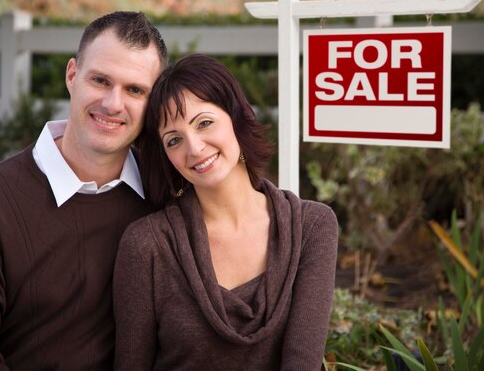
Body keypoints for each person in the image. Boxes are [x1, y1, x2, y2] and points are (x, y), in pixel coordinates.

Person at [0, 11, 168, 371]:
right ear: (72, 75)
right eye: (100, 80)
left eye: (135, 90)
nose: (113, 104)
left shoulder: (164, 194)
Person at [113, 53, 339, 371]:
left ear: (236, 117)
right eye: (174, 139)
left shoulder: (312, 226)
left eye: (204, 123)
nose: (193, 148)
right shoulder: (146, 245)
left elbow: (302, 362)